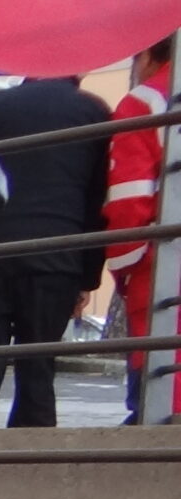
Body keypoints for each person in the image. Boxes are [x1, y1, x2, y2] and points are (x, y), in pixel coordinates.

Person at [0, 74, 111, 428]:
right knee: (37, 371)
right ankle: (31, 468)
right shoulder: (93, 112)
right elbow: (98, 200)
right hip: (55, 255)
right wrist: (87, 277)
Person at [103, 37, 174, 424]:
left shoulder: (144, 103)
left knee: (155, 412)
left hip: (162, 281)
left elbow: (128, 207)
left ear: (146, 54)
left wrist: (124, 270)